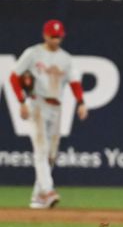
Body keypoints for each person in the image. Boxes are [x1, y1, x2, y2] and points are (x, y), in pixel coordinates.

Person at [8, 20, 88, 209]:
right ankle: (48, 190)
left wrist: (81, 102)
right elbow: (14, 76)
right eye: (52, 36)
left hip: (56, 107)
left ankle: (38, 197)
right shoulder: (33, 53)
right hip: (37, 104)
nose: (56, 39)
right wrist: (21, 102)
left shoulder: (66, 58)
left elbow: (75, 82)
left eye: (59, 36)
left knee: (51, 154)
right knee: (41, 150)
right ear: (45, 35)